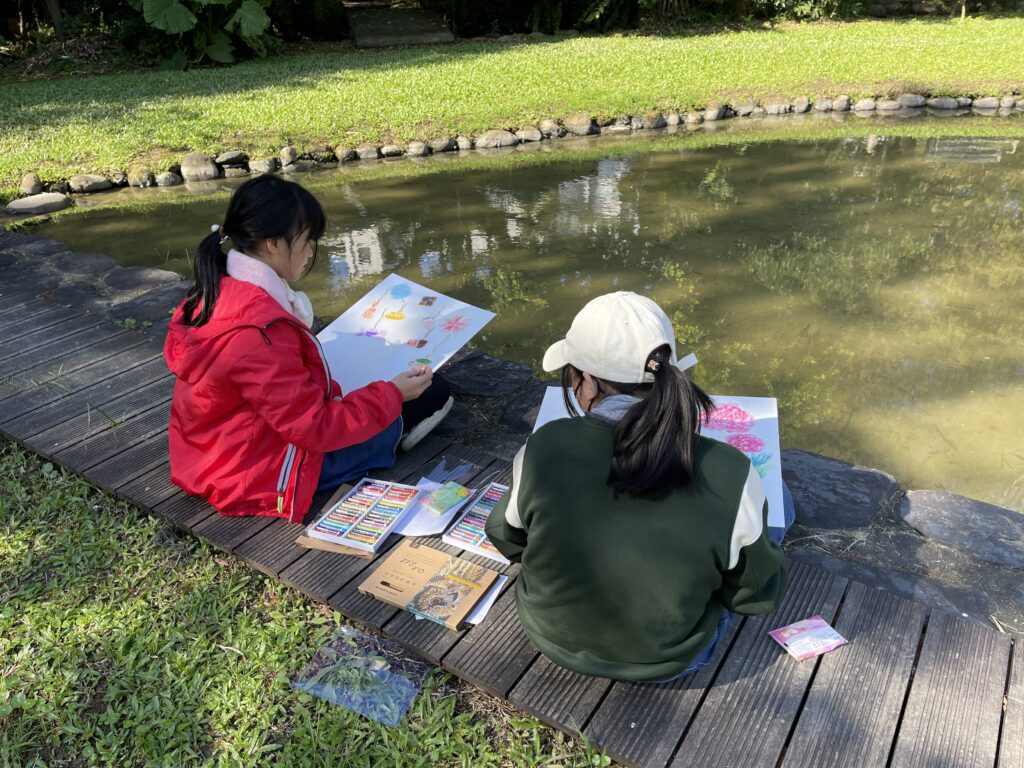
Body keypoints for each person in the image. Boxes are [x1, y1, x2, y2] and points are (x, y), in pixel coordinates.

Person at [485, 292, 791, 682]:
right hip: (667, 659)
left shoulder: (543, 446)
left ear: (588, 381)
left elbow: (507, 536)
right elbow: (755, 595)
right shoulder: (732, 471)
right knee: (779, 502)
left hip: (550, 637)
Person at [164, 175, 453, 523]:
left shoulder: (217, 290)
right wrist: (392, 394)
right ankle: (391, 438)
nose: (310, 252)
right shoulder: (261, 330)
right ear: (273, 243)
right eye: (306, 241)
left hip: (208, 453)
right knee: (429, 394)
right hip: (254, 472)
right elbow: (314, 429)